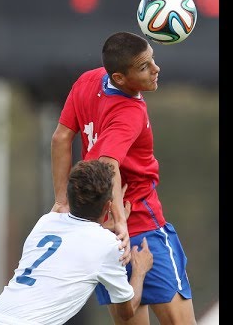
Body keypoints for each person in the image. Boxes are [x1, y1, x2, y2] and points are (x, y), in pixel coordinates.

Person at [51, 31, 197, 324]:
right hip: (141, 226)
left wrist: (62, 201)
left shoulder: (89, 80)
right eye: (144, 67)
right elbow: (108, 165)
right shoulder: (129, 110)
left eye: (152, 60)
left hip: (103, 235)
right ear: (119, 78)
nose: (156, 70)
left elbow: (61, 138)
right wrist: (122, 222)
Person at [0, 160, 153, 325]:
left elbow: (75, 239)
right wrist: (140, 270)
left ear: (70, 198)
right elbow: (126, 311)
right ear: (108, 206)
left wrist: (107, 225)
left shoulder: (46, 221)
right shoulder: (108, 245)